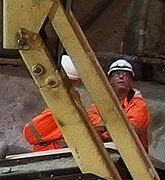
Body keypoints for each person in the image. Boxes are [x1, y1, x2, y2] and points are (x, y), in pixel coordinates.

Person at [22, 57, 150, 151]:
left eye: (125, 74)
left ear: (131, 80)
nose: (121, 77)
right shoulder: (103, 104)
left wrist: (102, 131)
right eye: (117, 74)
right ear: (109, 80)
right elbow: (91, 122)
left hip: (132, 155)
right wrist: (102, 128)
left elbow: (127, 132)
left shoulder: (137, 105)